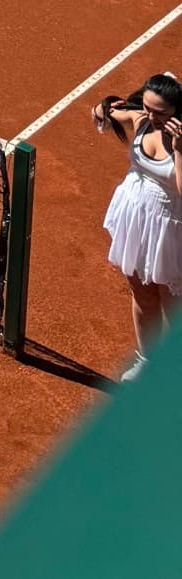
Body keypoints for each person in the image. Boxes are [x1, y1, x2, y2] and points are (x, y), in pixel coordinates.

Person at [92, 74, 182, 379]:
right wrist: (105, 106)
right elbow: (101, 113)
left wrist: (180, 148)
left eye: (161, 113)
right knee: (142, 295)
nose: (152, 116)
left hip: (170, 229)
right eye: (147, 107)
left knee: (173, 306)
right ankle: (147, 362)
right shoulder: (141, 117)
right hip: (136, 218)